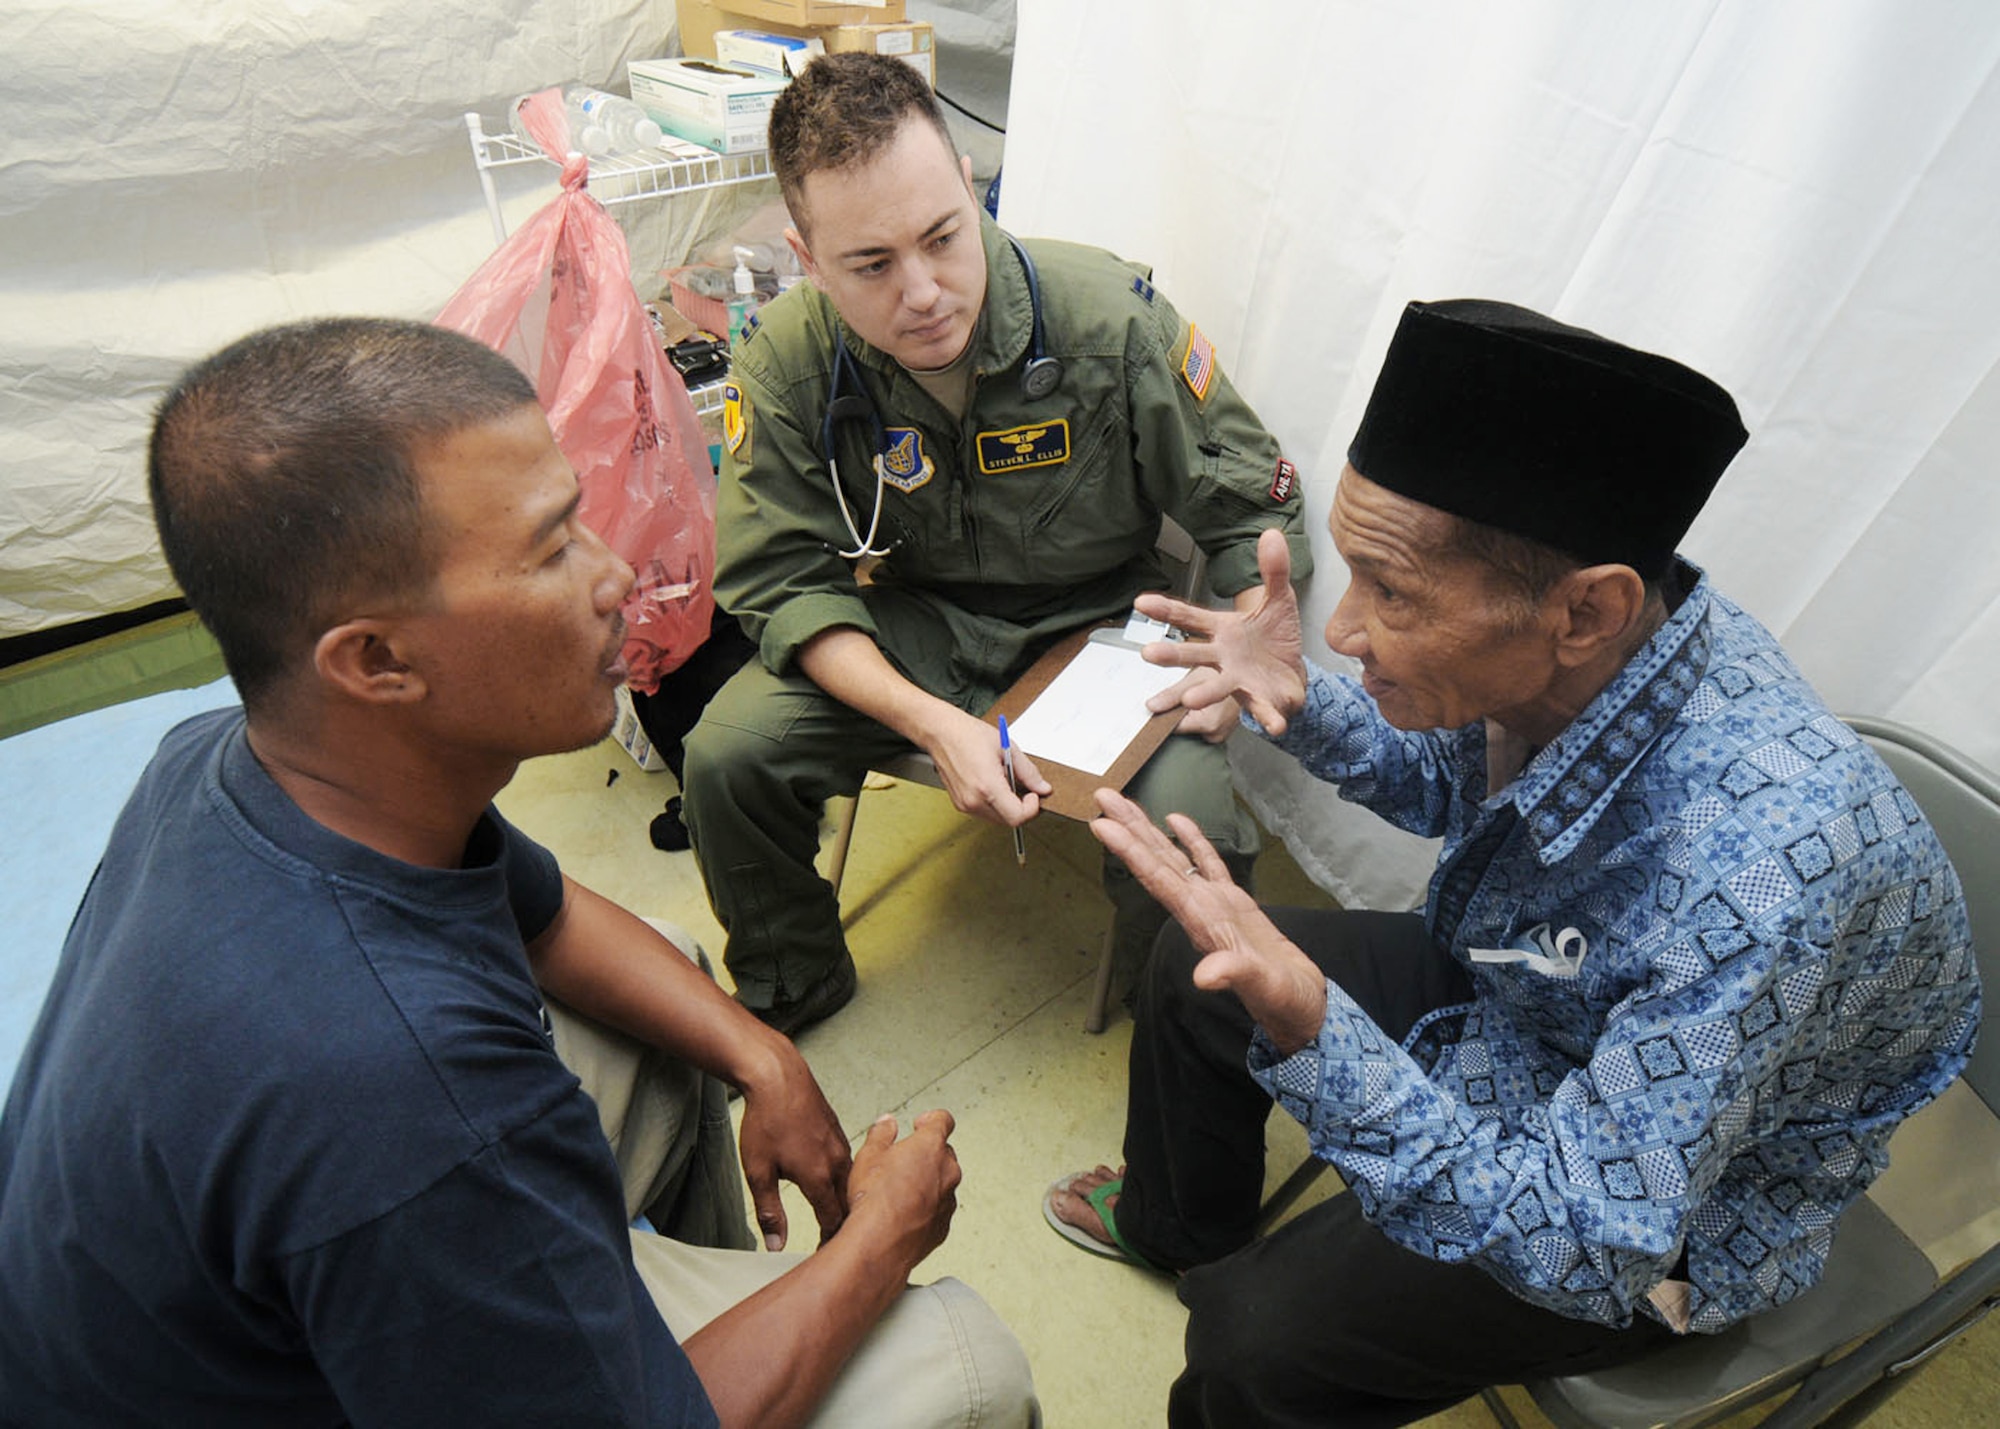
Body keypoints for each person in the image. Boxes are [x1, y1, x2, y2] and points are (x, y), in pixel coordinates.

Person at [0, 318, 1038, 1429]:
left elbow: (536, 914)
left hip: (241, 1313)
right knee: (960, 1358)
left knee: (670, 984)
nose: (614, 573)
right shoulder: (399, 1093)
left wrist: (765, 1055)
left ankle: (639, 1319)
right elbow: (414, 1111)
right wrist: (883, 1234)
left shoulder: (229, 760)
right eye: (549, 550)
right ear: (377, 660)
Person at [1046, 299, 1980, 1427]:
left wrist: (1317, 1036)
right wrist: (1299, 705)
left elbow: (1591, 1245)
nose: (1345, 630)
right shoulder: (1607, 640)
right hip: (1540, 991)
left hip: (1670, 1198)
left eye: (1391, 593)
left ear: (1586, 609)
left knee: (1248, 1345)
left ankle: (1228, 1296)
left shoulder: (1762, 874)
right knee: (1191, 972)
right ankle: (1175, 1228)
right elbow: (1454, 781)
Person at [680, 52, 1312, 1034]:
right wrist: (933, 722)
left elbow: (1243, 504)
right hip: (910, 625)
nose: (925, 291)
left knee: (1191, 825)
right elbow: (782, 576)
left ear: (973, 190)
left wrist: (1242, 636)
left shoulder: (1109, 321)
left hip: (1097, 631)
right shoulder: (789, 357)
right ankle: (790, 978)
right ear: (809, 262)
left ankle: (1177, 1045)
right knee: (727, 757)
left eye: (943, 236)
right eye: (871, 264)